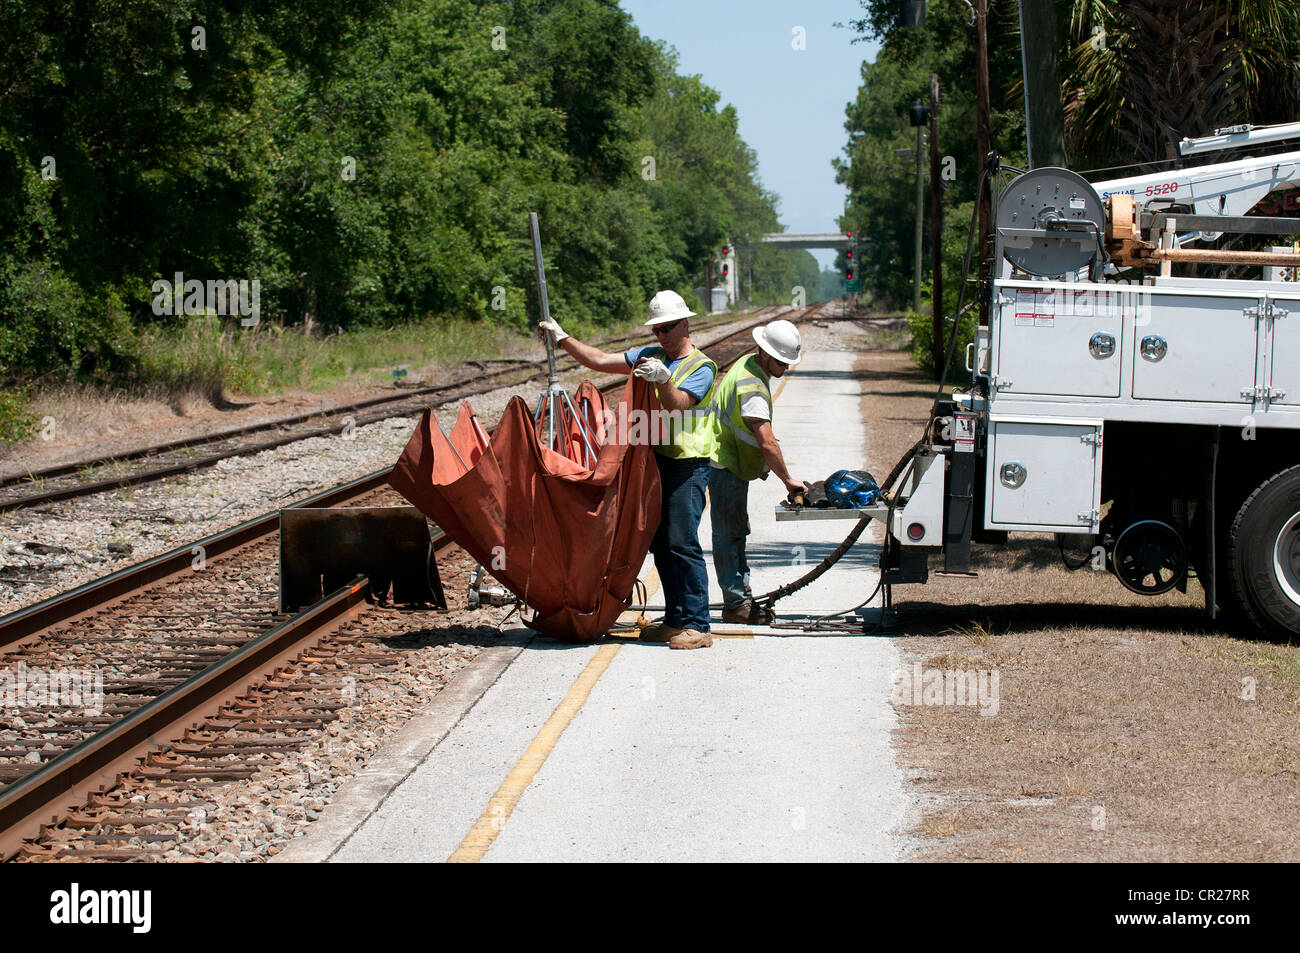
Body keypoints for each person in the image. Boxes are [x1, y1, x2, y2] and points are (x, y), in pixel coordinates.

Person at [539, 290, 719, 650]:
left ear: (686, 323)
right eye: (656, 330)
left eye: (668, 328)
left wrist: (663, 379)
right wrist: (563, 338)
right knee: (660, 543)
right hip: (657, 464)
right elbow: (601, 361)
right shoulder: (650, 355)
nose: (661, 336)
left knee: (683, 541)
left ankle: (698, 624)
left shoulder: (702, 367)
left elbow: (679, 406)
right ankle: (676, 619)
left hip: (689, 467)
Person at [708, 319, 809, 624]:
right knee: (729, 535)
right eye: (781, 361)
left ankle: (739, 598)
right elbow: (767, 443)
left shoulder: (747, 364)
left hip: (728, 461)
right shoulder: (752, 387)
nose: (785, 368)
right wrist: (788, 480)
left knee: (734, 532)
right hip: (725, 463)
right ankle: (736, 604)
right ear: (765, 354)